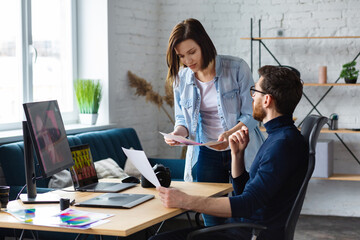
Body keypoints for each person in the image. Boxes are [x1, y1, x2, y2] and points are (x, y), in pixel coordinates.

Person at [151, 65, 307, 240]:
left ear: (267, 100)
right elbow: (247, 193)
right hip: (243, 228)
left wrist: (185, 200)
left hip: (249, 233)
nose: (252, 96)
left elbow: (247, 204)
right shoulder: (279, 137)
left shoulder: (282, 145)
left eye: (255, 91)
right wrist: (237, 156)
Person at [164, 18, 264, 226]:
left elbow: (253, 114)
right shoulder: (181, 78)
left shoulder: (236, 68)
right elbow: (182, 120)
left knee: (245, 212)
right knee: (211, 217)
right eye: (181, 56)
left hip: (243, 149)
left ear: (204, 44)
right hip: (207, 151)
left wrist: (230, 134)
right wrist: (178, 134)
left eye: (192, 52)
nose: (187, 61)